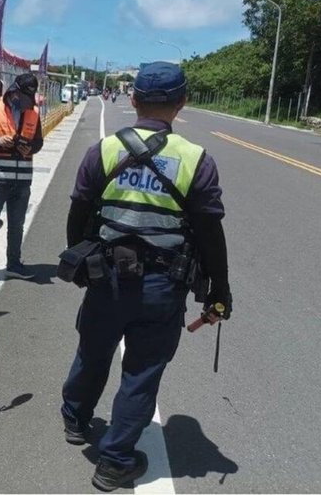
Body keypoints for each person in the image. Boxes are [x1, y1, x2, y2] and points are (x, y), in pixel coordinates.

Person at [60, 62, 232, 491]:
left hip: (105, 278)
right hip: (162, 286)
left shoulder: (102, 151)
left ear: (133, 100)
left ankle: (76, 420)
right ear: (182, 102)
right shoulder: (196, 160)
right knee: (142, 371)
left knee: (92, 350)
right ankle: (115, 461)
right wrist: (219, 291)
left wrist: (81, 262)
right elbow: (210, 232)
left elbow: (79, 212)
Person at [0, 73, 44, 288]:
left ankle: (14, 264)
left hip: (22, 181)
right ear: (14, 91)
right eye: (23, 97)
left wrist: (29, 148)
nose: (25, 103)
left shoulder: (34, 113)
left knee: (16, 225)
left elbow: (38, 142)